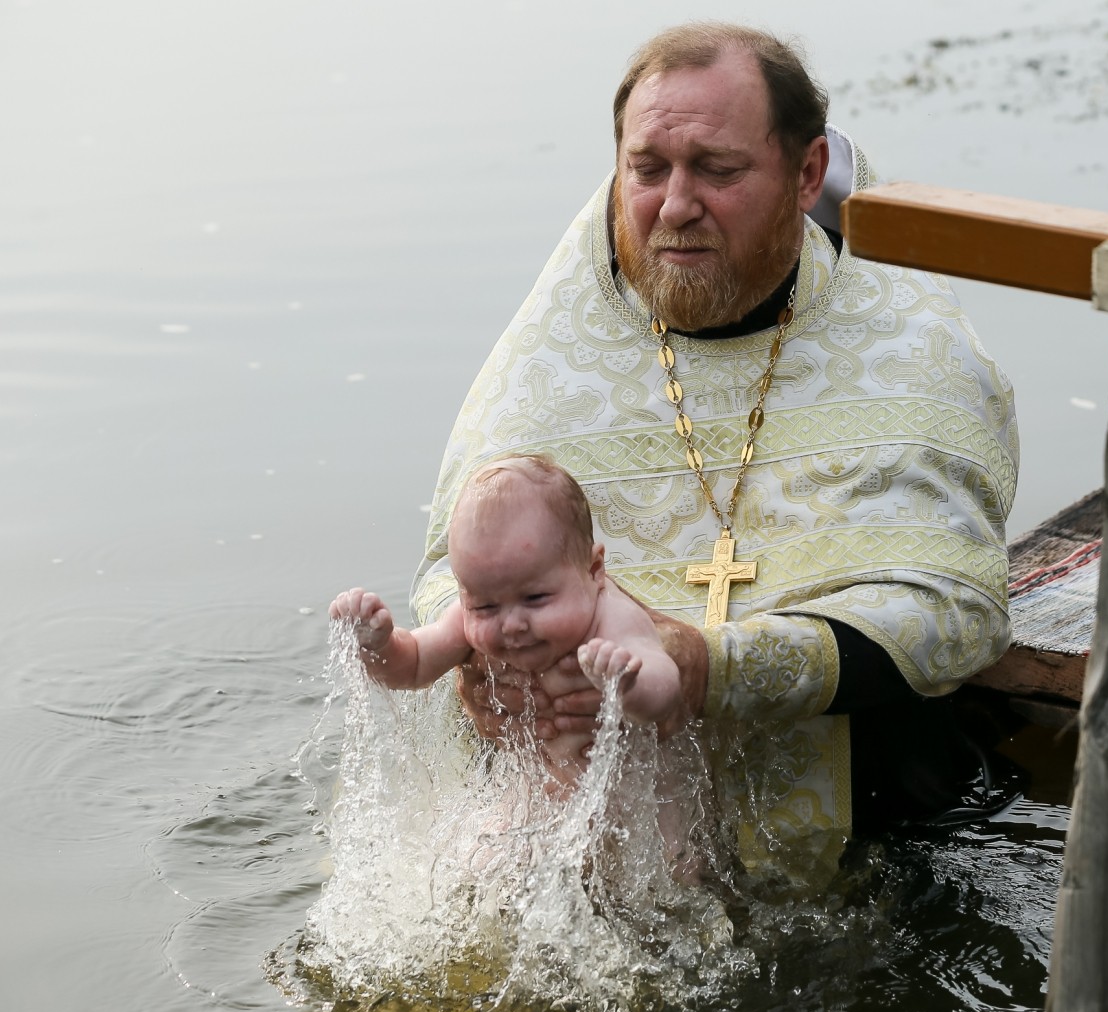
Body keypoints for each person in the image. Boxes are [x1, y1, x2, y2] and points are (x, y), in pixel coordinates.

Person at [412, 22, 1018, 880]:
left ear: (807, 175)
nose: (675, 205)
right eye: (647, 170)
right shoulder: (551, 356)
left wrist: (709, 665)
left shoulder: (909, 349)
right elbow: (449, 565)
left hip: (876, 815)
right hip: (591, 803)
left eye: (719, 171)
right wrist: (479, 655)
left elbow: (950, 611)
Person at [332, 455, 684, 794]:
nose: (511, 624)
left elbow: (667, 687)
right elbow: (413, 667)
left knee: (679, 853)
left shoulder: (611, 618)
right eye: (484, 605)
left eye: (535, 599)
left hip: (634, 808)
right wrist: (378, 646)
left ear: (594, 571)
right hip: (533, 803)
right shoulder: (468, 619)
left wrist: (627, 684)